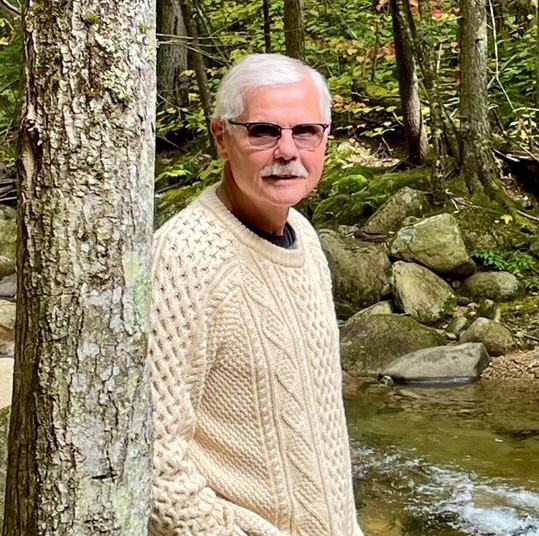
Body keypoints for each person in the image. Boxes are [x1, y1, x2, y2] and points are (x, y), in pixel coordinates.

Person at [148, 53, 364, 536]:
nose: (288, 151)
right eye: (263, 131)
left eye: (306, 131)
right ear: (222, 137)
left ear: (325, 139)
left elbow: (318, 424)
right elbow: (154, 459)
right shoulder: (183, 258)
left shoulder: (304, 235)